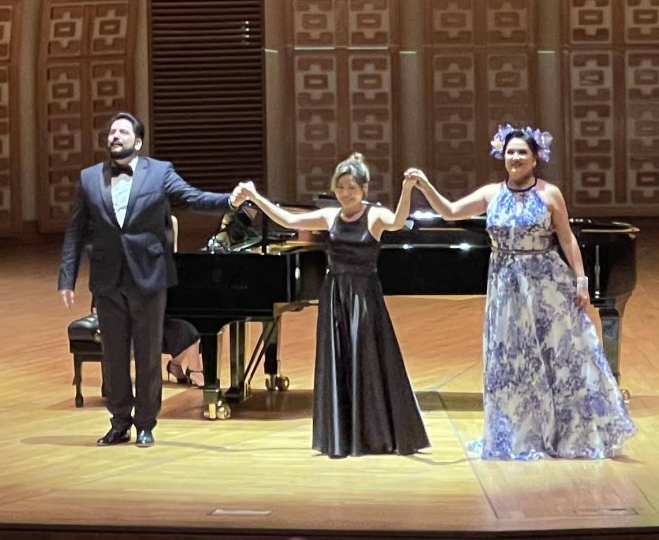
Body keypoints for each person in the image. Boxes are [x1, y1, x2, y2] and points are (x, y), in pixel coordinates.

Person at [405, 124, 637, 460]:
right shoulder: (491, 194)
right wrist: (423, 184)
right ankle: (519, 433)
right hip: (506, 285)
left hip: (546, 284)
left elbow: (567, 238)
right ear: (502, 155)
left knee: (558, 356)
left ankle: (567, 431)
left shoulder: (549, 193)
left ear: (535, 158)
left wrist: (582, 281)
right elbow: (450, 212)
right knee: (512, 360)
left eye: (522, 153)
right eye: (510, 152)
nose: (515, 158)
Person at [58, 112, 244, 448]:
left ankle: (145, 424)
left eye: (123, 131)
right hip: (108, 278)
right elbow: (75, 230)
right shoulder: (88, 178)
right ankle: (119, 423)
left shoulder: (159, 172)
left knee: (146, 354)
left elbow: (192, 198)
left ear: (138, 142)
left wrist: (229, 200)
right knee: (113, 356)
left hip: (149, 275)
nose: (115, 135)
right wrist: (66, 277)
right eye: (112, 131)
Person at [238, 153, 430, 458]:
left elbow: (397, 222)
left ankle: (376, 434)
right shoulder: (330, 217)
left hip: (364, 297)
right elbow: (288, 220)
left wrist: (407, 190)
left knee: (366, 359)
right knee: (339, 361)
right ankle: (343, 436)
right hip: (335, 296)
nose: (345, 193)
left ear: (364, 189)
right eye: (340, 188)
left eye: (352, 187)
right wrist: (256, 197)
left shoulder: (375, 216)